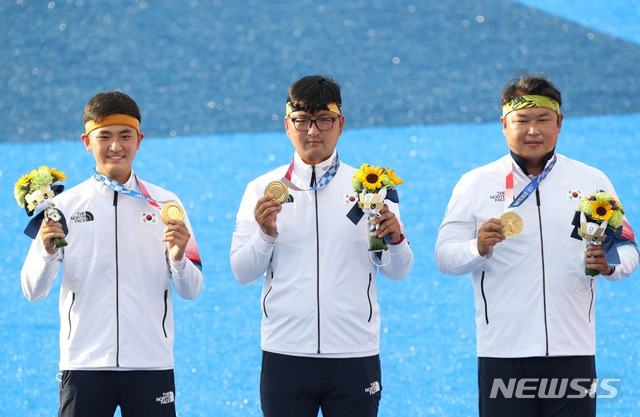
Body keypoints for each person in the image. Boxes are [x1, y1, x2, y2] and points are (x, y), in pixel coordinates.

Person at [435, 74, 639, 416]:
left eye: (543, 119)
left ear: (559, 123)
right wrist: (477, 248)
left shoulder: (591, 180)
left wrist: (610, 263)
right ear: (504, 124)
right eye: (522, 120)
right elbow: (444, 256)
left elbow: (629, 249)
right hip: (503, 351)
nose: (533, 130)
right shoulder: (476, 183)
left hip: (573, 348)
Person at [230, 75, 414, 417]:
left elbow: (399, 270)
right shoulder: (261, 189)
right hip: (285, 352)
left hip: (354, 352)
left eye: (324, 120)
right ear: (287, 125)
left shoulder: (373, 186)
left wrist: (396, 239)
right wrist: (265, 233)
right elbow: (242, 272)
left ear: (340, 123)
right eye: (302, 120)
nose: (313, 131)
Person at [21, 91, 203, 417]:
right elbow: (33, 291)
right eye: (104, 136)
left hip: (150, 363)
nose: (116, 146)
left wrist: (177, 258)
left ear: (139, 140)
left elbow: (192, 289)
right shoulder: (62, 208)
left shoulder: (166, 204)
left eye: (125, 136)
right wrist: (47, 253)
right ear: (87, 141)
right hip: (84, 364)